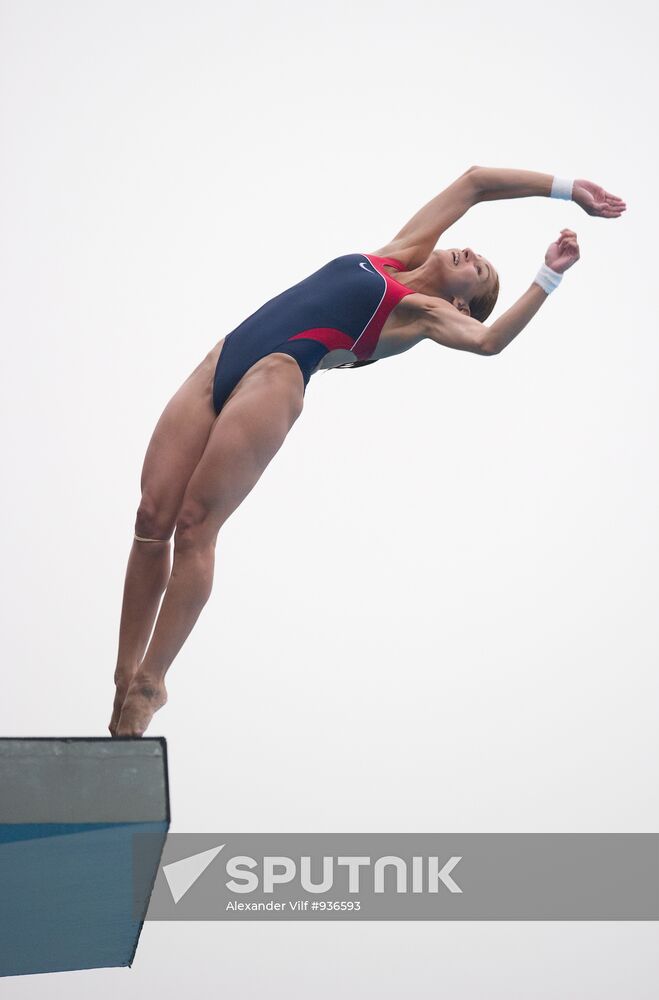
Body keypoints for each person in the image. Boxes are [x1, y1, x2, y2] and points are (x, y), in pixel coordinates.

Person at [109, 166, 626, 737]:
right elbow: (476, 182)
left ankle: (153, 681)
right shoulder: (394, 255)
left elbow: (488, 341)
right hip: (223, 357)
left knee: (194, 524)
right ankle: (123, 678)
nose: (474, 256)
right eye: (479, 256)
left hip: (276, 375)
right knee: (150, 519)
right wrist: (568, 188)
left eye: (480, 273)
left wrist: (545, 278)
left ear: (460, 304)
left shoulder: (422, 316)